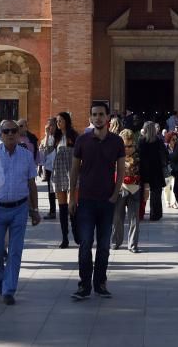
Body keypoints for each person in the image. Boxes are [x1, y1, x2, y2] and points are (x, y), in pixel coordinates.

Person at [68, 103, 125, 300]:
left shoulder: (117, 141)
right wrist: (71, 197)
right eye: (94, 115)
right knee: (85, 244)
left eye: (101, 114)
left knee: (103, 245)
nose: (98, 118)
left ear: (108, 117)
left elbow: (121, 170)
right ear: (90, 118)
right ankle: (84, 285)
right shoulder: (82, 141)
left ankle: (100, 283)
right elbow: (74, 170)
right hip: (85, 200)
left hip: (107, 200)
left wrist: (115, 194)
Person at [0, 119, 41, 305]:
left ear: (19, 134)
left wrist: (34, 210)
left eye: (13, 131)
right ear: (1, 135)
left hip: (19, 208)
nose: (10, 134)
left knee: (15, 251)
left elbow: (31, 184)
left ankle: (9, 289)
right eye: (6, 131)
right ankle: (1, 278)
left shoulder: (26, 156)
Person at [112, 129, 145, 252]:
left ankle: (133, 245)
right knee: (117, 218)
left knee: (134, 219)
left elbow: (145, 173)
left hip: (135, 190)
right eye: (125, 146)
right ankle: (116, 242)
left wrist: (146, 189)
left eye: (130, 146)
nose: (128, 149)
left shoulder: (139, 156)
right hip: (119, 189)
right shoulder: (115, 156)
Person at [53, 111, 77, 248]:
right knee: (62, 208)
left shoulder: (74, 136)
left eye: (60, 120)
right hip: (59, 172)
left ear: (66, 121)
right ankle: (64, 238)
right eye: (57, 121)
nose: (58, 123)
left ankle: (76, 232)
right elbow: (48, 151)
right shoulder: (55, 136)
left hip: (71, 171)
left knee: (72, 204)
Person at [138, 120, 167, 221]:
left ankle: (140, 213)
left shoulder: (141, 140)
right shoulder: (158, 140)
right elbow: (165, 154)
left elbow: (139, 155)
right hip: (156, 169)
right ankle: (155, 214)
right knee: (156, 193)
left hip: (144, 169)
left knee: (141, 192)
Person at [41, 117, 59, 219]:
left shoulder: (58, 137)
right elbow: (45, 148)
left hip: (58, 166)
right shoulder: (47, 137)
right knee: (50, 190)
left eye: (52, 125)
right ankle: (52, 211)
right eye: (48, 125)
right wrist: (47, 134)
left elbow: (50, 147)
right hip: (49, 166)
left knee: (61, 189)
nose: (50, 128)